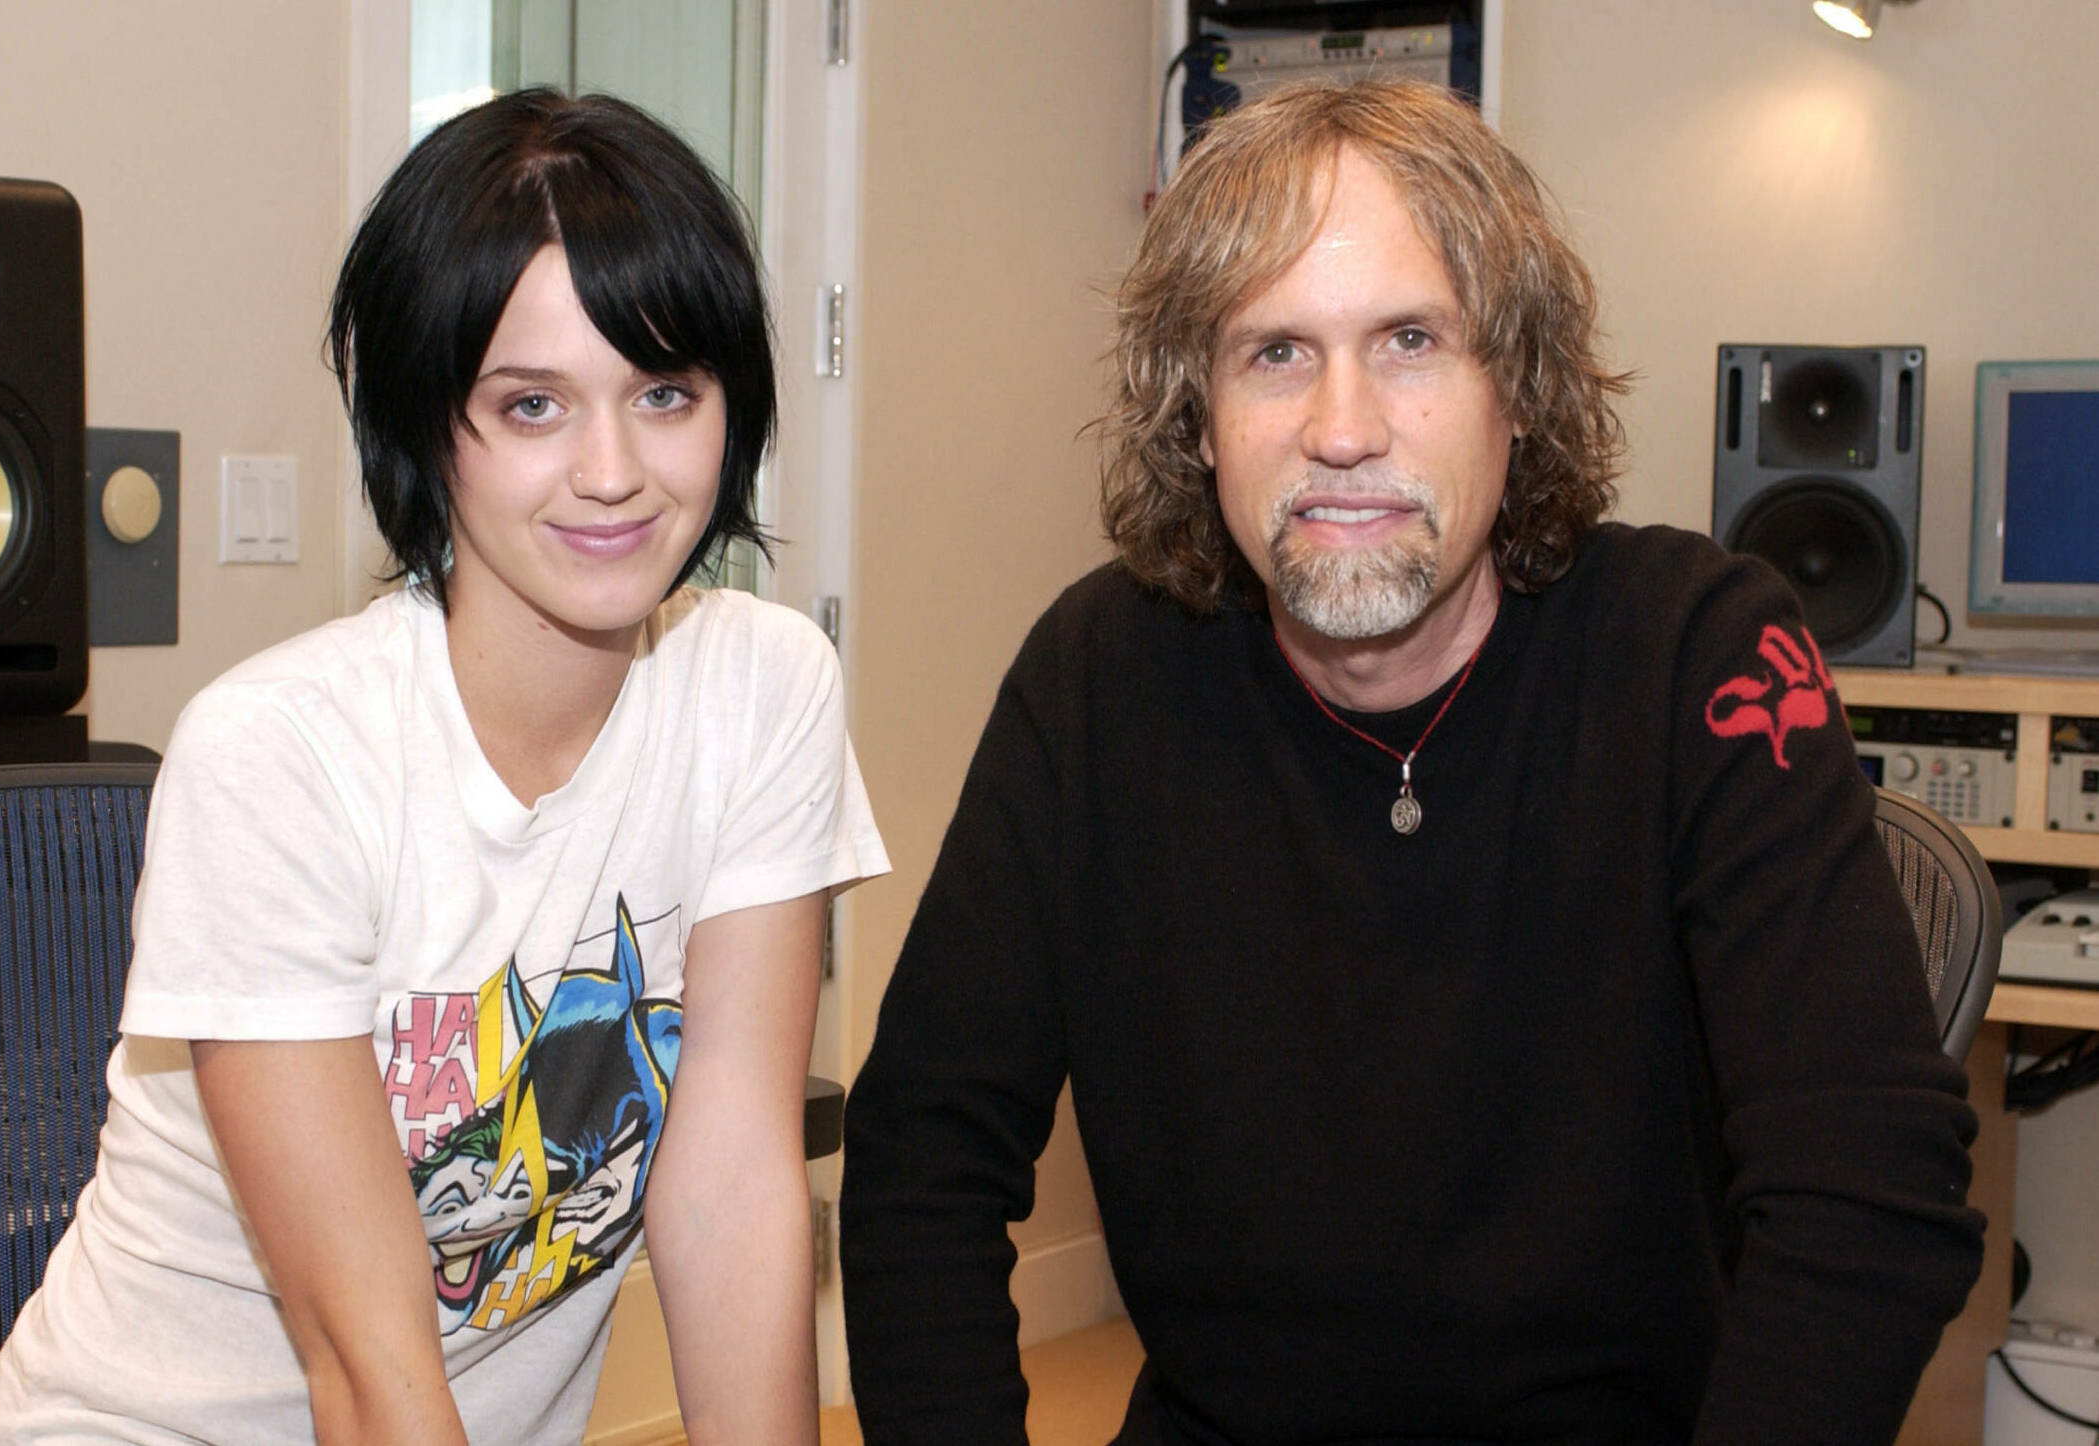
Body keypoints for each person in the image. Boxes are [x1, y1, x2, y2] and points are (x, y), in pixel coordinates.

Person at [838, 78, 1980, 1446]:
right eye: (1273, 352)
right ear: (1197, 418)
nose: (1342, 425)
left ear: (1520, 392)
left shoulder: (1695, 655)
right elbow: (921, 1160)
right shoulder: (1101, 679)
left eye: (1411, 340)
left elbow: (1871, 1190)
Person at [0, 88, 887, 1445]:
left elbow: (733, 1189)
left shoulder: (763, 689)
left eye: (664, 392)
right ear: (425, 424)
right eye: (531, 405)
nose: (615, 469)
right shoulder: (277, 757)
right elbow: (368, 1361)